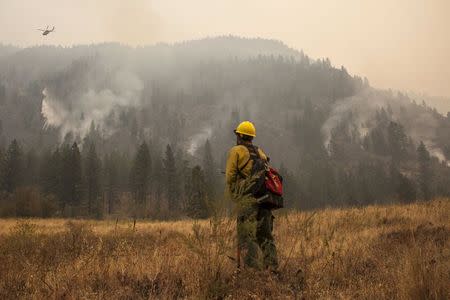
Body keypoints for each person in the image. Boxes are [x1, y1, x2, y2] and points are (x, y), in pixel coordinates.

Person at [225, 121, 278, 270]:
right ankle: (272, 268)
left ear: (240, 135)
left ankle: (252, 270)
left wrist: (236, 197)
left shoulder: (236, 151)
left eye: (237, 135)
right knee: (265, 235)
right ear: (251, 137)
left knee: (246, 235)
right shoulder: (260, 152)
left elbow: (230, 177)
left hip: (248, 200)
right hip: (265, 199)